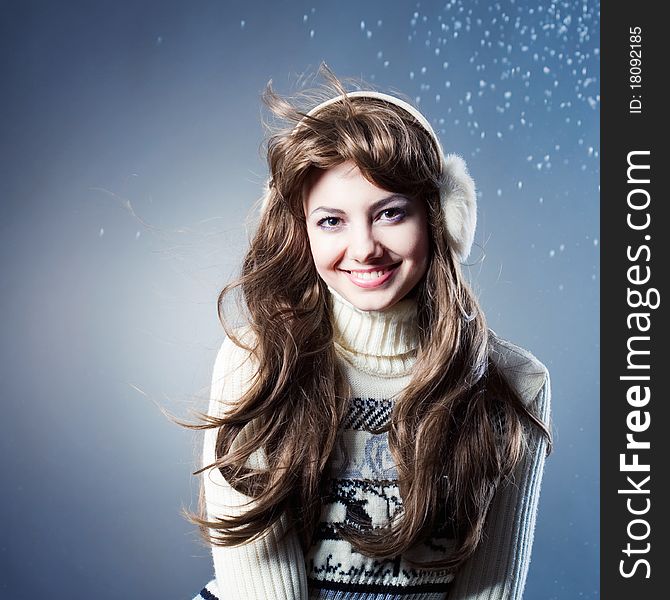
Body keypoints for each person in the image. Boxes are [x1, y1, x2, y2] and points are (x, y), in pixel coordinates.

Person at [190, 69, 552, 600]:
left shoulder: (516, 384)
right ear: (300, 231)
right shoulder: (258, 360)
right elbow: (259, 583)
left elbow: (490, 586)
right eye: (331, 221)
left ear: (443, 218)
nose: (363, 249)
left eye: (389, 213)